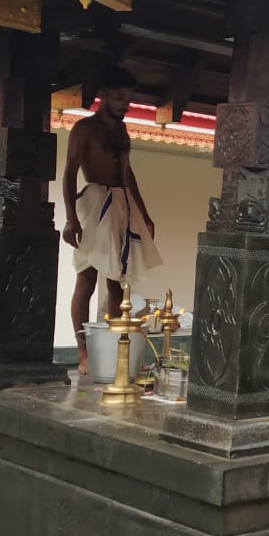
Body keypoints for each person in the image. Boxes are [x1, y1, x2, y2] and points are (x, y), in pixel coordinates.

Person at [61, 66, 162, 374]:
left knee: (118, 280)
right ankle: (83, 351)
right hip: (94, 204)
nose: (124, 103)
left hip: (122, 204)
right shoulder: (84, 129)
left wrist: (144, 214)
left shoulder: (122, 129)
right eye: (119, 96)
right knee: (87, 278)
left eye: (129, 98)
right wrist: (70, 220)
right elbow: (68, 173)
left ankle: (118, 351)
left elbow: (127, 174)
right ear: (103, 95)